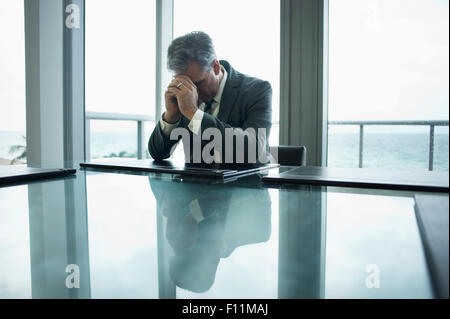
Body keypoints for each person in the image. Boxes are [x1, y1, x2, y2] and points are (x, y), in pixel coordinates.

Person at [148, 31, 273, 164]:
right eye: (185, 83)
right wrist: (171, 117)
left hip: (246, 182)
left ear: (215, 67)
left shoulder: (257, 90)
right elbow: (157, 154)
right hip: (195, 183)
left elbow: (254, 150)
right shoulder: (183, 93)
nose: (192, 91)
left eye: (197, 83)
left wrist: (193, 113)